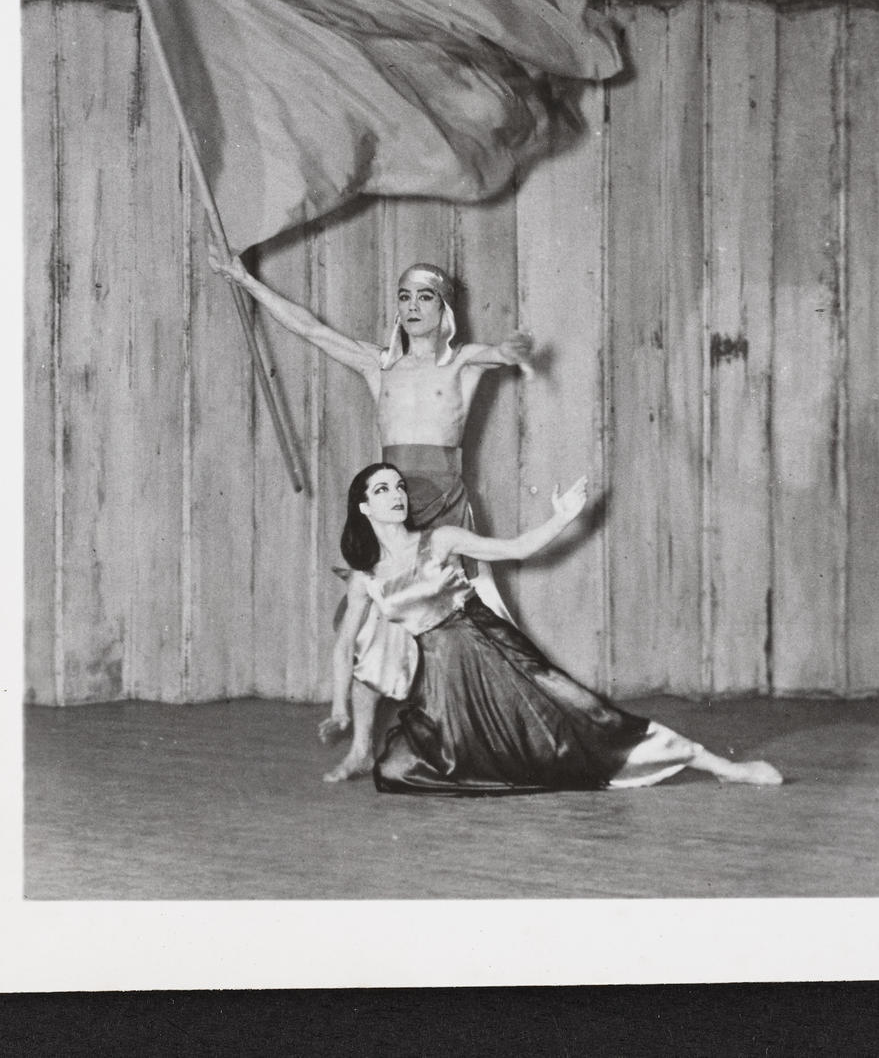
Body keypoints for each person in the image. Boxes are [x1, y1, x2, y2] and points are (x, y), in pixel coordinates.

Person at [209, 248, 532, 781]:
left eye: (424, 297)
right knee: (371, 632)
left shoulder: (461, 364)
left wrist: (513, 348)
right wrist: (245, 280)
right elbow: (311, 330)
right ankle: (360, 746)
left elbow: (499, 352)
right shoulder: (378, 365)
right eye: (403, 296)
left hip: (445, 509)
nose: (412, 306)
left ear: (443, 308)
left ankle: (488, 738)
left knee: (466, 630)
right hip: (392, 512)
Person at [330, 463, 785, 795]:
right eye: (383, 488)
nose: (397, 494)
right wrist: (339, 709)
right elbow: (345, 642)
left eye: (400, 486)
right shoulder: (365, 576)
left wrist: (563, 516)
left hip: (490, 646)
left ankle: (718, 766)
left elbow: (515, 548)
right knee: (395, 771)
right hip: (445, 682)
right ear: (364, 505)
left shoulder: (440, 539)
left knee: (583, 712)